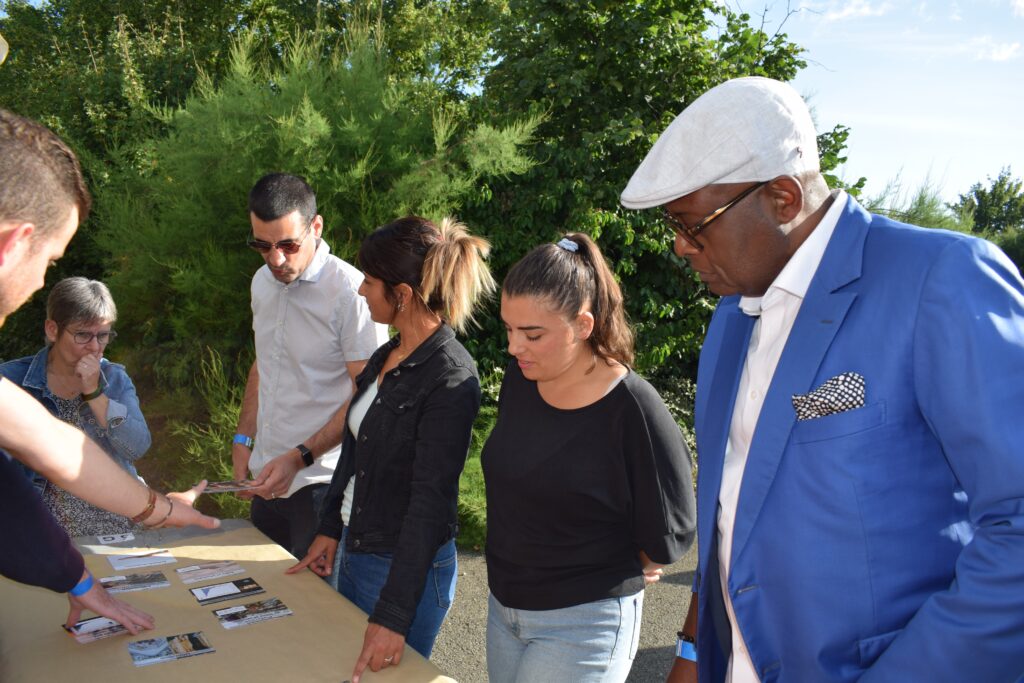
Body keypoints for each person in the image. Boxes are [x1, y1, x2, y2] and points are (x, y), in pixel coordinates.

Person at [619, 77, 1024, 683]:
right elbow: (734, 510)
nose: (680, 247)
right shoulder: (732, 317)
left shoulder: (940, 279)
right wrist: (692, 651)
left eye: (694, 225)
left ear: (783, 196)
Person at [0, 108, 219, 637]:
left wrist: (79, 576)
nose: (37, 282)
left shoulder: (112, 377)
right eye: (49, 261)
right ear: (10, 245)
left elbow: (46, 442)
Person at [482, 233, 697, 683]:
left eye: (532, 334)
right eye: (509, 329)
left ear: (583, 325)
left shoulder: (634, 408)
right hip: (504, 610)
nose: (513, 347)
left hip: (584, 623)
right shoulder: (521, 382)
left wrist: (625, 561)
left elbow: (672, 527)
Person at [289, 215, 494, 683]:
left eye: (369, 280)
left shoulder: (451, 378)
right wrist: (329, 530)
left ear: (401, 294)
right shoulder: (389, 355)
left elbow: (428, 505)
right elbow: (356, 450)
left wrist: (393, 616)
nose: (361, 290)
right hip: (357, 552)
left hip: (404, 573)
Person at [232, 173, 388, 559]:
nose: (276, 259)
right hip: (267, 475)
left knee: (316, 610)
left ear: (316, 227)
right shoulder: (261, 283)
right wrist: (243, 437)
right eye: (262, 246)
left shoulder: (352, 292)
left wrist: (300, 455)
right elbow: (263, 360)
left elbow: (367, 393)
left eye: (288, 244)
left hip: (322, 485)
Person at [1, 277, 151, 536]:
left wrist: (94, 393)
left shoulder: (114, 378)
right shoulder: (11, 381)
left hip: (114, 526)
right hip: (38, 533)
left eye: (103, 335)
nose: (94, 347)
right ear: (52, 330)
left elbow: (137, 448)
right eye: (82, 334)